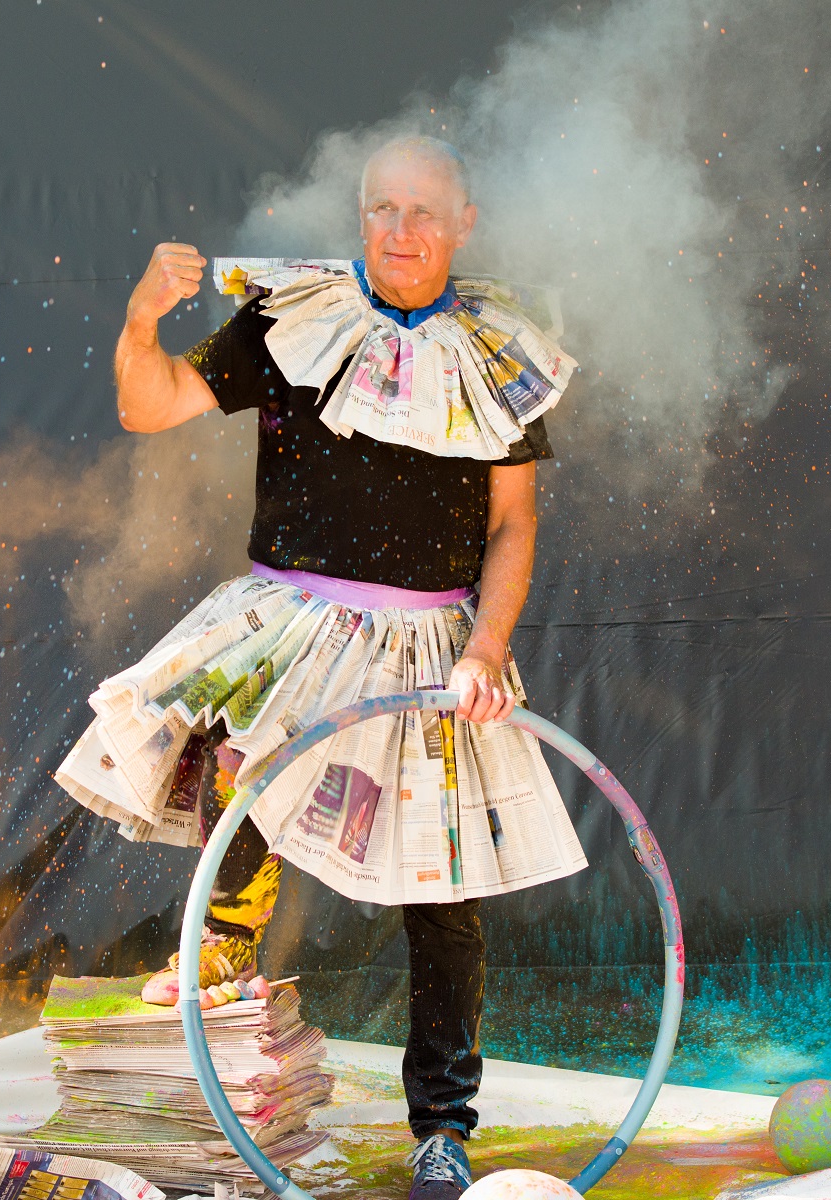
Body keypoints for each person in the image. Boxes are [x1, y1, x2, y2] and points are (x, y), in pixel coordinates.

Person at [55, 137, 587, 1200]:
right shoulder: (291, 317)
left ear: (464, 223)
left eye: (424, 211)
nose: (401, 230)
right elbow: (147, 405)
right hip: (293, 626)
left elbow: (514, 525)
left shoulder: (499, 348)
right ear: (360, 215)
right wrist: (139, 320)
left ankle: (442, 1128)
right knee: (244, 783)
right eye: (383, 207)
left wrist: (486, 646)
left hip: (432, 645)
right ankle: (222, 964)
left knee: (444, 900)